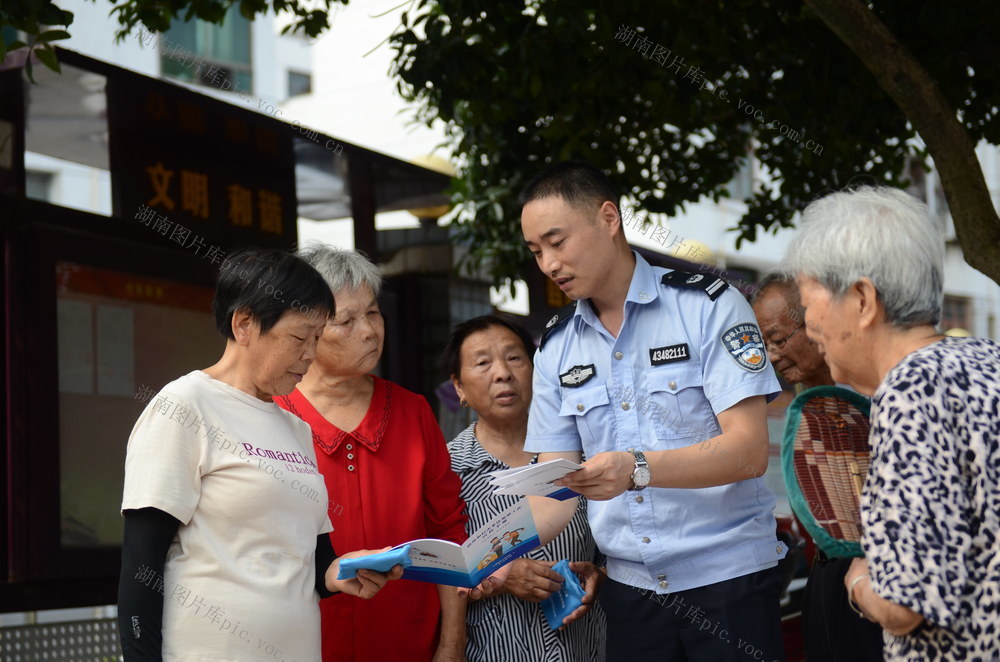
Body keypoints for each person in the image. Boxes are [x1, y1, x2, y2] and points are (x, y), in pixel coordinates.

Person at [503, 161, 788, 662]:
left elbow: (748, 452)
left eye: (557, 241)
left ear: (608, 218)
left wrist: (635, 469)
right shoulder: (555, 346)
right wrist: (479, 558)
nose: (548, 263)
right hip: (632, 590)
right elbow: (554, 492)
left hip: (728, 578)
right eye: (536, 251)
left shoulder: (708, 306)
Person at [118, 248, 401, 662]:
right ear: (245, 323)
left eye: (318, 339)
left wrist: (342, 572)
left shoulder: (295, 428)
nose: (310, 354)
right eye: (300, 337)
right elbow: (141, 566)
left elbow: (311, 561)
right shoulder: (184, 406)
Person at [783, 186, 1000, 662]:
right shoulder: (986, 358)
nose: (810, 323)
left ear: (862, 299)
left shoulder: (908, 391)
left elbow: (905, 604)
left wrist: (858, 578)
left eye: (808, 301)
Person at [274, 246, 468, 662]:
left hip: (408, 641)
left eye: (374, 313)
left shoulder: (413, 412)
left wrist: (451, 643)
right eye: (345, 320)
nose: (368, 331)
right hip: (303, 644)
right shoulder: (271, 417)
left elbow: (448, 530)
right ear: (306, 329)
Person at [443, 314, 607, 661]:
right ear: (459, 387)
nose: (502, 373)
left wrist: (600, 575)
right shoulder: (447, 470)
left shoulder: (581, 455)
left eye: (515, 358)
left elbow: (616, 544)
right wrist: (502, 576)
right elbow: (439, 571)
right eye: (483, 363)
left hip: (587, 649)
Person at [752, 272, 884, 662]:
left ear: (815, 320)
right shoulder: (802, 403)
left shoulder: (878, 391)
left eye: (779, 339)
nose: (772, 355)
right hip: (826, 577)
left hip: (883, 574)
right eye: (764, 345)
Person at [751, 272, 833, 389]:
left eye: (778, 341)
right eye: (764, 347)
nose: (771, 358)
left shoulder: (866, 387)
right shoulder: (803, 398)